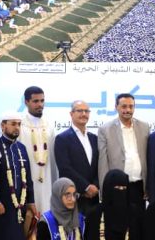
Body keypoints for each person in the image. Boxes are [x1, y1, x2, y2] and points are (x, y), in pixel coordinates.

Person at [97, 94, 149, 240]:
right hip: (118, 189)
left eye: (131, 106)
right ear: (116, 107)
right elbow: (103, 162)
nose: (128, 110)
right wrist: (104, 191)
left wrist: (148, 186)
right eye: (124, 106)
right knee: (118, 227)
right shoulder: (105, 129)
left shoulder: (144, 127)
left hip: (139, 186)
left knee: (137, 227)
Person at [53, 101, 99, 240]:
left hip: (94, 197)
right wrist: (86, 187)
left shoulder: (94, 138)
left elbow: (99, 165)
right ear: (71, 114)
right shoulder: (62, 138)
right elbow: (64, 168)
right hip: (74, 196)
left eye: (86, 111)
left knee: (93, 234)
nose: (84, 114)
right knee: (75, 234)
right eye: (79, 111)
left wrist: (95, 186)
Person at [0, 112, 36, 239]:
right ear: (3, 126)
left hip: (20, 205)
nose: (17, 127)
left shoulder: (22, 148)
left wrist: (31, 201)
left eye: (19, 124)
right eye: (13, 124)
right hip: (2, 206)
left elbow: (28, 177)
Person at [18, 86, 54, 213]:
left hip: (47, 180)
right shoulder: (19, 125)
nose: (40, 105)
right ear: (26, 102)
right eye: (36, 101)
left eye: (42, 101)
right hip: (26, 180)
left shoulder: (49, 125)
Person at [100, 169, 131, 240]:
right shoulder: (96, 215)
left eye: (124, 188)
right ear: (108, 188)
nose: (121, 191)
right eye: (118, 188)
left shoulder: (133, 216)